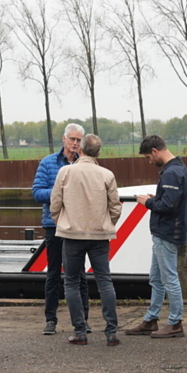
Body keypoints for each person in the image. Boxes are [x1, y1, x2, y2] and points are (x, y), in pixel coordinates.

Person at [49, 134, 122, 346]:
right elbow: (115, 207)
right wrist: (107, 224)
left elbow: (55, 204)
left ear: (80, 149)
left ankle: (80, 331)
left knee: (71, 282)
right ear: (98, 152)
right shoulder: (107, 174)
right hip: (100, 236)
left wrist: (62, 222)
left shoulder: (65, 172)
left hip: (72, 235)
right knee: (104, 281)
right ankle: (111, 332)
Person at [127, 135, 187, 339]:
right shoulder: (178, 169)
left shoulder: (172, 173)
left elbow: (168, 206)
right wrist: (157, 199)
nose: (149, 161)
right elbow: (171, 201)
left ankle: (175, 323)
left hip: (166, 233)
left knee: (169, 277)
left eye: (148, 157)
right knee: (156, 278)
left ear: (155, 151)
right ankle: (151, 319)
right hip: (163, 233)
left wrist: (147, 202)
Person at [32, 123, 89, 335]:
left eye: (78, 140)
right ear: (64, 139)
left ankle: (84, 319)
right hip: (54, 225)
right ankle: (51, 319)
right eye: (72, 139)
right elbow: (37, 193)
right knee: (54, 273)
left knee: (79, 274)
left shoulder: (85, 164)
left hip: (78, 225)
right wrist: (62, 192)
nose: (75, 143)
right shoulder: (47, 163)